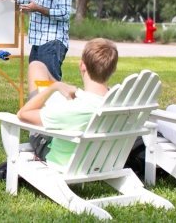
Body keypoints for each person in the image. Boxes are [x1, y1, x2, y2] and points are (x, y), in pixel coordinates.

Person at [16, 38, 118, 173]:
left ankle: (59, 87)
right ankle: (61, 88)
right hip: (99, 158)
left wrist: (55, 87)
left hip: (63, 159)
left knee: (35, 67)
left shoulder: (72, 110)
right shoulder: (119, 102)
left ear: (82, 65)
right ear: (114, 69)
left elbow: (23, 114)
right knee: (38, 66)